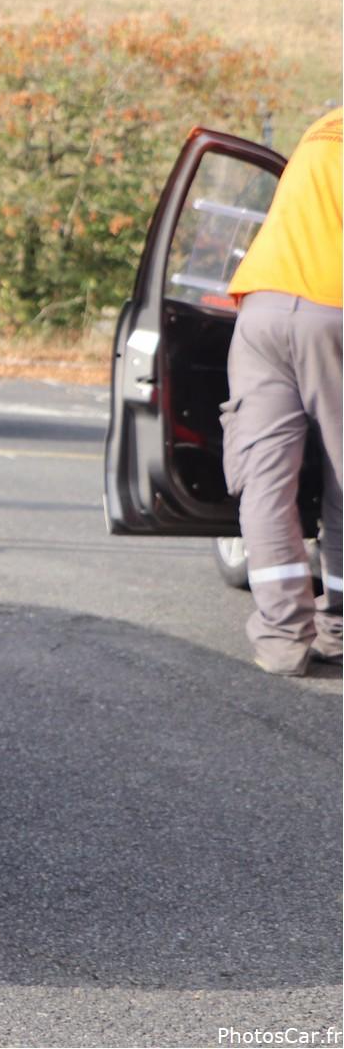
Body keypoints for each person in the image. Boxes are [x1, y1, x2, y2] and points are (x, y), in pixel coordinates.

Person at [221, 107, 342, 676]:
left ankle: (281, 640)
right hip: (334, 310)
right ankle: (338, 631)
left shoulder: (322, 128)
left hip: (263, 306)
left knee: (266, 479)